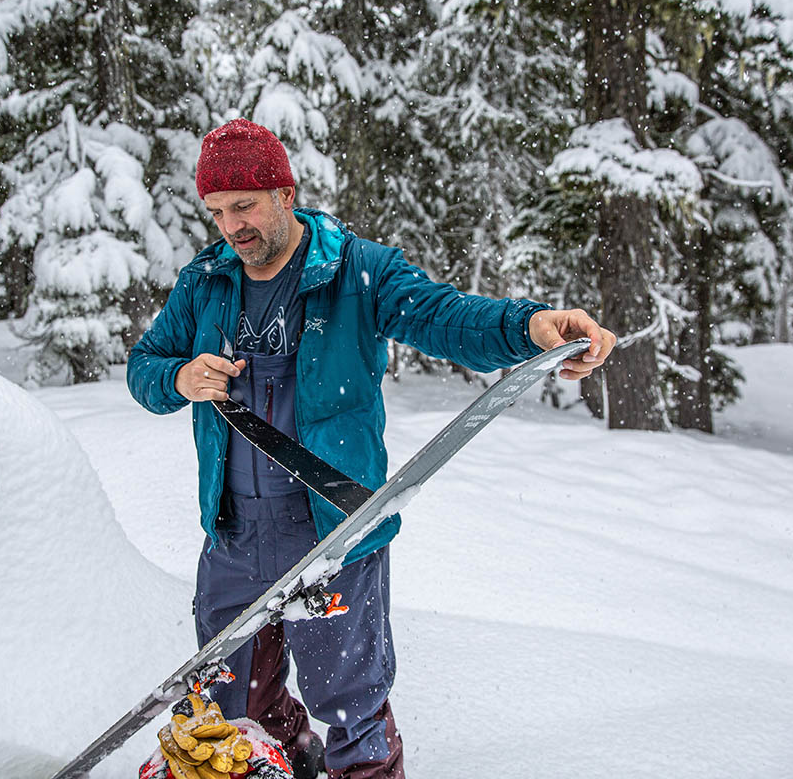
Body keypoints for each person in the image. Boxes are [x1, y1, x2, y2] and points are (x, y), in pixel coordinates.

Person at [127, 119, 617, 779]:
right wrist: (179, 377)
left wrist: (530, 328)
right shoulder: (205, 281)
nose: (231, 227)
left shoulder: (356, 270)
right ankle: (293, 764)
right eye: (217, 212)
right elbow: (145, 367)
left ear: (285, 193)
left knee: (349, 705)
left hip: (334, 533)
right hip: (234, 538)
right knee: (234, 707)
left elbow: (447, 316)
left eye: (243, 206)